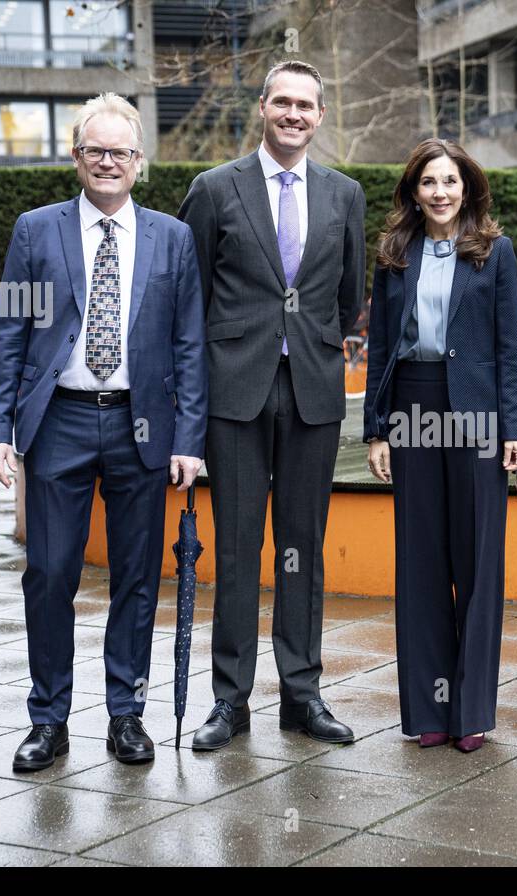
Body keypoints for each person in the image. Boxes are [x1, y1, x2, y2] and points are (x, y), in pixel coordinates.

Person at [0, 92, 207, 772]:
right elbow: (9, 333)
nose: (108, 162)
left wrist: (189, 438)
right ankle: (47, 720)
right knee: (49, 573)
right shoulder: (35, 230)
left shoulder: (173, 237)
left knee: (137, 578)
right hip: (61, 421)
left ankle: (126, 714)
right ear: (77, 158)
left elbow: (190, 343)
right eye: (95, 150)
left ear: (140, 162)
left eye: (121, 152)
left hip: (144, 423)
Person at [178, 61, 367, 748]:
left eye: (306, 105)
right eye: (282, 102)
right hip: (234, 391)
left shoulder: (344, 194)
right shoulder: (213, 189)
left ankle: (302, 693)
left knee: (301, 549)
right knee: (235, 549)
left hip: (312, 391)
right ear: (262, 108)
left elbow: (348, 296)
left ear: (320, 116)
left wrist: (311, 342)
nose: (293, 114)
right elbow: (189, 299)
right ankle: (230, 702)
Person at [363, 138, 517, 753]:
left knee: (478, 560)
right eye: (428, 182)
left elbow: (510, 346)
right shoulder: (394, 253)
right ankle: (430, 709)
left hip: (477, 413)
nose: (439, 192)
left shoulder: (494, 251)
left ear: (468, 188)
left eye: (450, 182)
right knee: (422, 558)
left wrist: (516, 431)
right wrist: (376, 429)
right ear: (413, 190)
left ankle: (472, 711)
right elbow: (381, 344)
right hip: (411, 402)